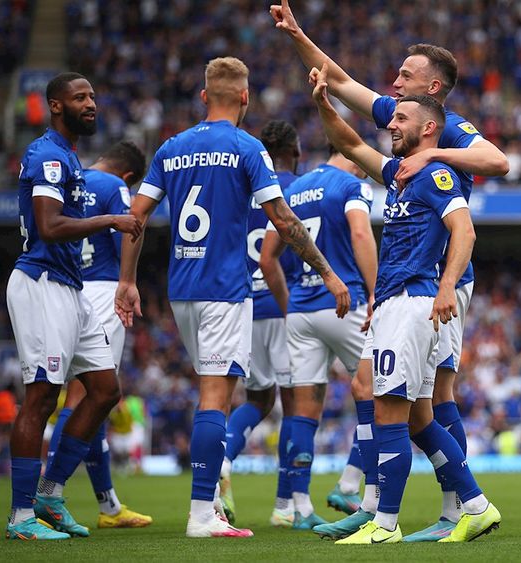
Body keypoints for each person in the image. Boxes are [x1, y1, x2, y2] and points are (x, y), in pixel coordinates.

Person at [271, 0, 509, 540]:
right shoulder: (401, 133)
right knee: (406, 398)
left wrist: (435, 157)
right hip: (409, 280)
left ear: (433, 92)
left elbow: (499, 163)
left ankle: (444, 510)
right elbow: (342, 90)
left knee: (428, 398)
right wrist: (297, 35)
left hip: (440, 276)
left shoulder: (448, 134)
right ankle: (436, 504)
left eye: (406, 76)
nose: (393, 83)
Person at [114, 57, 350, 539]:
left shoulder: (171, 148)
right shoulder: (248, 148)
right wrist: (327, 272)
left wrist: (127, 280)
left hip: (182, 290)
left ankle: (212, 504)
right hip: (224, 291)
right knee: (216, 397)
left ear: (204, 96)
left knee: (218, 394)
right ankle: (202, 513)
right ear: (245, 98)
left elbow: (134, 218)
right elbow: (283, 221)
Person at [312, 63, 501, 544]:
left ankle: (385, 524)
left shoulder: (436, 174)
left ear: (429, 128)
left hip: (415, 303)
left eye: (400, 120)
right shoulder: (400, 172)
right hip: (394, 303)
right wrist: (322, 104)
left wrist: (445, 286)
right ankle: (475, 506)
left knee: (389, 410)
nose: (390, 125)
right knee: (418, 416)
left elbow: (466, 230)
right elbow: (352, 146)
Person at [5, 72, 143, 541]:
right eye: (80, 97)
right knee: (41, 397)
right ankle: (22, 518)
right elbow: (47, 225)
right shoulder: (46, 154)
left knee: (105, 391)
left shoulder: (71, 159)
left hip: (72, 287)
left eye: (93, 95)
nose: (91, 103)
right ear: (55, 105)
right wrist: (111, 220)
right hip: (41, 282)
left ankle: (49, 491)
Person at [257, 143, 377, 531]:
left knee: (302, 410)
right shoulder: (350, 186)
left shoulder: (291, 191)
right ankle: (352, 485)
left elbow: (266, 257)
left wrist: (289, 305)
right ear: (352, 156)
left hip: (302, 312)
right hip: (347, 303)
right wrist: (376, 293)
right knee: (377, 391)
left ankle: (300, 507)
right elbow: (360, 232)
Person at [45, 140, 153, 529]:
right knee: (89, 396)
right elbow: (127, 233)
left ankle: (108, 506)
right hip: (103, 292)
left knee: (94, 399)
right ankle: (48, 495)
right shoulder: (113, 187)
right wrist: (129, 281)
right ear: (128, 176)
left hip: (66, 290)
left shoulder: (70, 180)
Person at [218, 120, 301, 527]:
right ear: (295, 152)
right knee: (294, 405)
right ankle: (286, 504)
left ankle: (224, 458)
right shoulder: (293, 189)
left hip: (243, 306)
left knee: (258, 401)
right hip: (282, 304)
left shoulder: (243, 187)